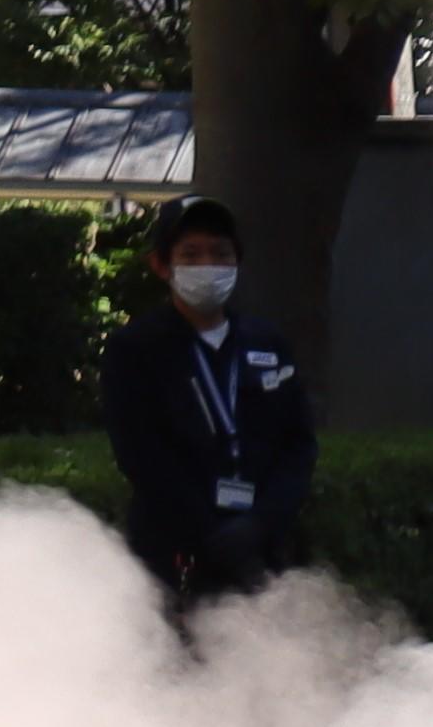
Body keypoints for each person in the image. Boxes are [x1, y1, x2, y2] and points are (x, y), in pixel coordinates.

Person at [95, 196, 305, 605]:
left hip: (262, 553)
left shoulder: (268, 343)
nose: (208, 264)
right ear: (161, 265)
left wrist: (260, 523)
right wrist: (208, 531)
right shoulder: (135, 348)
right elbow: (140, 454)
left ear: (237, 262)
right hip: (173, 556)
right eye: (191, 255)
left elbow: (298, 444)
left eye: (220, 253)